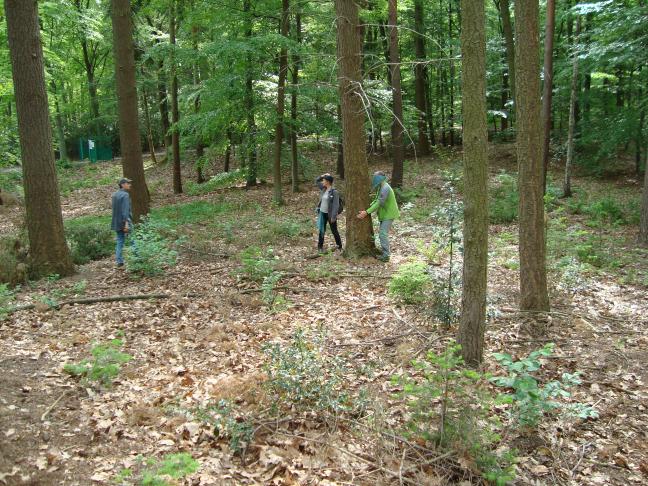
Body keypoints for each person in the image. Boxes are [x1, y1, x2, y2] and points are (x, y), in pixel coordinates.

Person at [357, 171, 400, 262]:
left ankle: (386, 255)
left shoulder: (385, 188)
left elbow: (380, 202)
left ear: (380, 178)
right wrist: (368, 208)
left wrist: (367, 212)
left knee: (382, 234)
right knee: (382, 234)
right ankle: (385, 253)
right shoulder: (381, 187)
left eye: (375, 177)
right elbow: (376, 200)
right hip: (384, 214)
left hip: (389, 214)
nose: (374, 179)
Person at [315, 173, 343, 253]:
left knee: (334, 231)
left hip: (330, 215)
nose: (322, 181)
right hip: (322, 213)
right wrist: (322, 175)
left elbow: (336, 205)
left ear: (327, 182)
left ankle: (340, 246)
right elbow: (317, 181)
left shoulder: (334, 192)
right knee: (321, 230)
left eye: (324, 180)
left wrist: (333, 217)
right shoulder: (323, 189)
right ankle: (320, 247)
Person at [111, 178, 133, 267]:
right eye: (128, 183)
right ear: (122, 184)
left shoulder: (114, 195)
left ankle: (119, 261)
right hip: (125, 221)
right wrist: (127, 223)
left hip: (116, 222)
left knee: (120, 241)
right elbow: (125, 210)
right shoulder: (125, 195)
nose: (129, 185)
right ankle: (138, 258)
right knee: (133, 239)